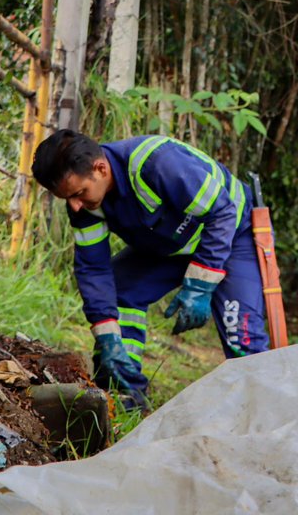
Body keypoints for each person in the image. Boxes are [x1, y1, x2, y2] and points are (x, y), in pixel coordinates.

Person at [31, 129, 268, 407]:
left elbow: (223, 213)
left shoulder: (157, 162)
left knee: (241, 336)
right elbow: (94, 270)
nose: (75, 205)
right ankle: (125, 397)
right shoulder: (85, 206)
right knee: (119, 293)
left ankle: (259, 411)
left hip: (231, 233)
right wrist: (107, 337)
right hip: (169, 247)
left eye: (79, 193)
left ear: (100, 167)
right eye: (67, 198)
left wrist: (200, 285)